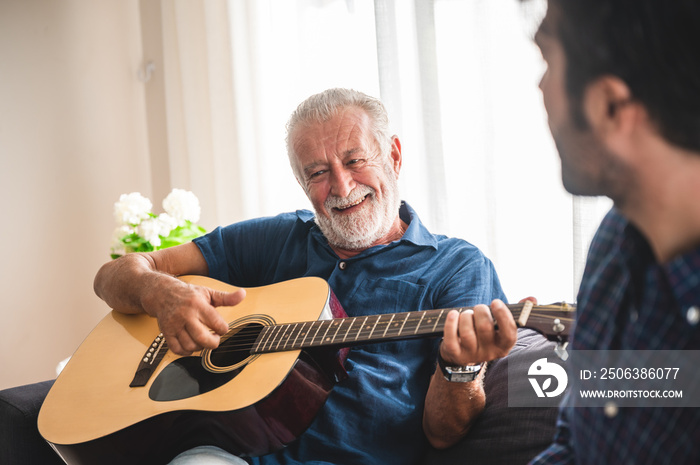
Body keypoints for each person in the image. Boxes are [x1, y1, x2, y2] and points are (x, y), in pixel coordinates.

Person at [93, 88, 518, 465]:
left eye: (355, 160)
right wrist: (158, 292)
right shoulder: (277, 237)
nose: (342, 185)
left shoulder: (458, 266)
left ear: (393, 156)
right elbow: (113, 276)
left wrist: (460, 370)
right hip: (223, 452)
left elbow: (443, 434)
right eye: (317, 172)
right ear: (301, 182)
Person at [528, 1, 700, 464]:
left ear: (609, 104)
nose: (540, 88)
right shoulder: (615, 241)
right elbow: (575, 444)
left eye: (547, 60)